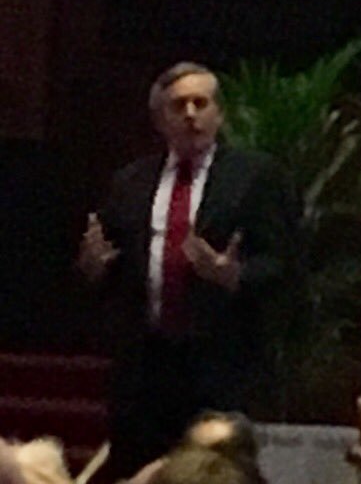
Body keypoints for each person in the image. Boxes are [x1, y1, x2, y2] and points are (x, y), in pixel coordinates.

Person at [79, 63, 293, 482]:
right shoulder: (131, 181)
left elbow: (284, 263)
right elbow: (108, 262)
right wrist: (93, 268)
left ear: (220, 114)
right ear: (161, 120)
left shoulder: (255, 177)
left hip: (219, 363)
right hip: (145, 365)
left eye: (202, 103)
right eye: (180, 105)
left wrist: (234, 275)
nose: (192, 113)